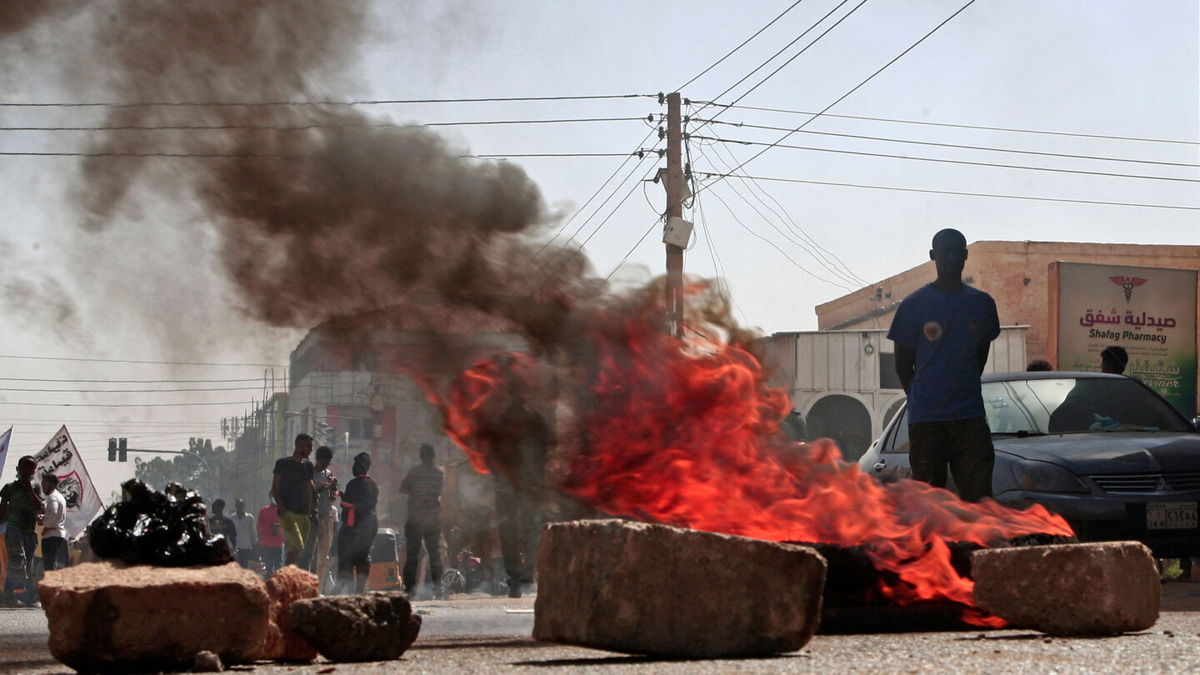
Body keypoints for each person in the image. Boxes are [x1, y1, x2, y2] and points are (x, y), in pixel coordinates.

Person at [888, 229, 1001, 502]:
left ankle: (980, 546)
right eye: (944, 252)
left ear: (965, 256)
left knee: (979, 499)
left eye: (956, 251)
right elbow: (903, 365)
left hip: (970, 419)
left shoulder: (982, 304)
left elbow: (978, 357)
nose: (950, 257)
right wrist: (920, 399)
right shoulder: (914, 305)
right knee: (930, 503)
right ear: (932, 256)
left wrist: (963, 390)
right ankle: (931, 547)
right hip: (927, 422)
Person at [0, 456, 45, 606]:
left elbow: (40, 507)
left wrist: (29, 490)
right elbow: (2, 509)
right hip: (13, 529)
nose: (27, 472)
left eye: (30, 469)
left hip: (29, 531)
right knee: (16, 561)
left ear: (34, 471)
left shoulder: (35, 487)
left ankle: (22, 596)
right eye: (24, 468)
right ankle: (9, 595)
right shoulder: (9, 488)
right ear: (18, 469)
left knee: (28, 565)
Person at [401, 444, 444, 598]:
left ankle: (410, 589)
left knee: (412, 555)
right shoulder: (439, 473)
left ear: (421, 456)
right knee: (435, 554)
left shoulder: (415, 472)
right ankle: (438, 587)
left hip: (415, 519)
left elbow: (403, 488)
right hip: (432, 519)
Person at [336, 452, 378, 595]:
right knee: (363, 556)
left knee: (347, 558)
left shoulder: (353, 484)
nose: (353, 467)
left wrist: (343, 499)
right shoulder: (373, 485)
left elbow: (347, 504)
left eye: (355, 464)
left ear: (360, 466)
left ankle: (338, 590)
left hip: (354, 526)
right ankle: (359, 590)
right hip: (370, 526)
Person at [272, 433, 315, 566]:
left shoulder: (308, 466)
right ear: (300, 446)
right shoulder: (283, 463)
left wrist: (309, 508)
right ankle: (287, 578)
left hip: (303, 514)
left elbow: (309, 488)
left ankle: (287, 577)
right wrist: (282, 509)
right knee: (296, 546)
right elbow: (275, 488)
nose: (311, 450)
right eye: (309, 447)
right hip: (288, 513)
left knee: (296, 551)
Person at [311, 445, 338, 592]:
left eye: (328, 463)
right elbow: (309, 491)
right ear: (318, 459)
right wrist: (320, 487)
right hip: (312, 519)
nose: (326, 465)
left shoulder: (329, 474)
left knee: (323, 558)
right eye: (324, 462)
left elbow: (332, 499)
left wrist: (333, 488)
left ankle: (318, 589)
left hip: (326, 518)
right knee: (310, 556)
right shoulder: (310, 473)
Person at [39, 473, 68, 572]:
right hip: (61, 537)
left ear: (52, 484)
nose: (42, 486)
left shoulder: (52, 497)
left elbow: (53, 513)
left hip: (51, 538)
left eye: (44, 483)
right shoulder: (60, 497)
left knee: (50, 569)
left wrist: (44, 523)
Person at [257, 497, 284, 575]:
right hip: (267, 545)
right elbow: (259, 527)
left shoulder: (282, 511)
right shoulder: (263, 510)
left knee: (278, 568)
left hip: (278, 544)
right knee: (268, 568)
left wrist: (279, 526)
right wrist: (270, 526)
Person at [231, 499, 257, 569]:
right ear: (236, 506)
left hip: (247, 547)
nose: (239, 507)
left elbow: (253, 532)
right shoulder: (232, 518)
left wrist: (254, 545)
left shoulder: (249, 517)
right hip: (236, 547)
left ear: (244, 506)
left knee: (245, 567)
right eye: (238, 505)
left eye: (241, 505)